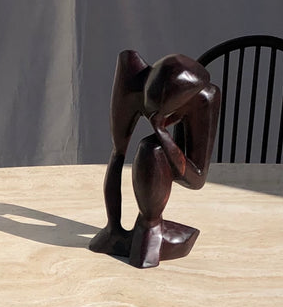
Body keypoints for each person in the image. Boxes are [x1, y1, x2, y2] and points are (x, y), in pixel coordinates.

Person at [89, 50, 221, 268]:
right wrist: (113, 225)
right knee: (131, 151)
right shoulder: (133, 76)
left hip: (170, 168)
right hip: (127, 225)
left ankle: (150, 227)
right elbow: (118, 154)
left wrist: (162, 132)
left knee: (152, 149)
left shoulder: (205, 98)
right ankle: (119, 232)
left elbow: (196, 180)